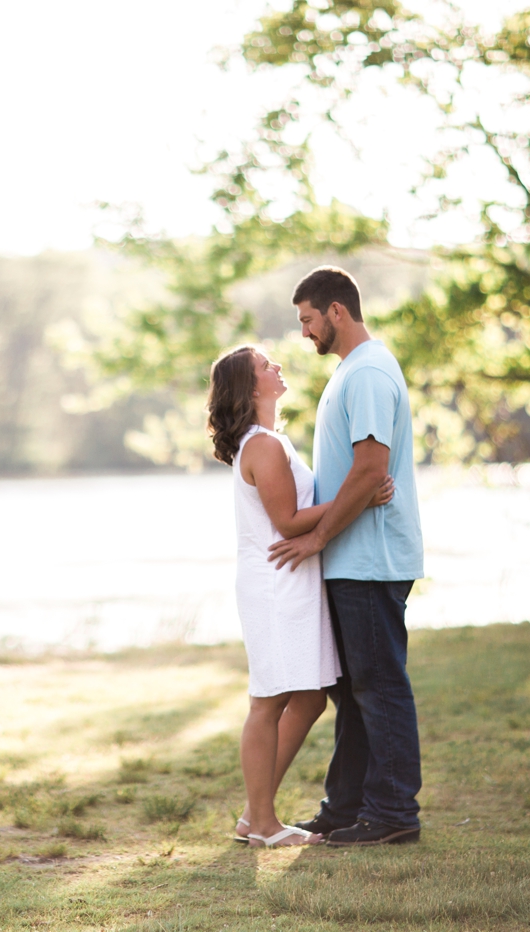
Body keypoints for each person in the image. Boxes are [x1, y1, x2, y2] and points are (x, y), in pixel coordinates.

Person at [206, 344, 394, 849]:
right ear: (249, 388)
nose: (277, 367)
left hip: (292, 579)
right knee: (268, 700)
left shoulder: (270, 440)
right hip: (275, 581)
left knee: (310, 697)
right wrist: (357, 497)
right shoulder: (262, 446)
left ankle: (254, 812)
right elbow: (287, 521)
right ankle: (263, 826)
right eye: (266, 366)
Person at [268, 266, 426, 847]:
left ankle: (392, 816)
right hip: (353, 559)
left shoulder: (366, 374)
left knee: (379, 688)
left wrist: (316, 536)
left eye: (308, 319)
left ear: (337, 311)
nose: (304, 332)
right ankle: (345, 809)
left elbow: (369, 469)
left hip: (369, 558)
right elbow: (360, 472)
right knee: (355, 692)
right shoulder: (352, 372)